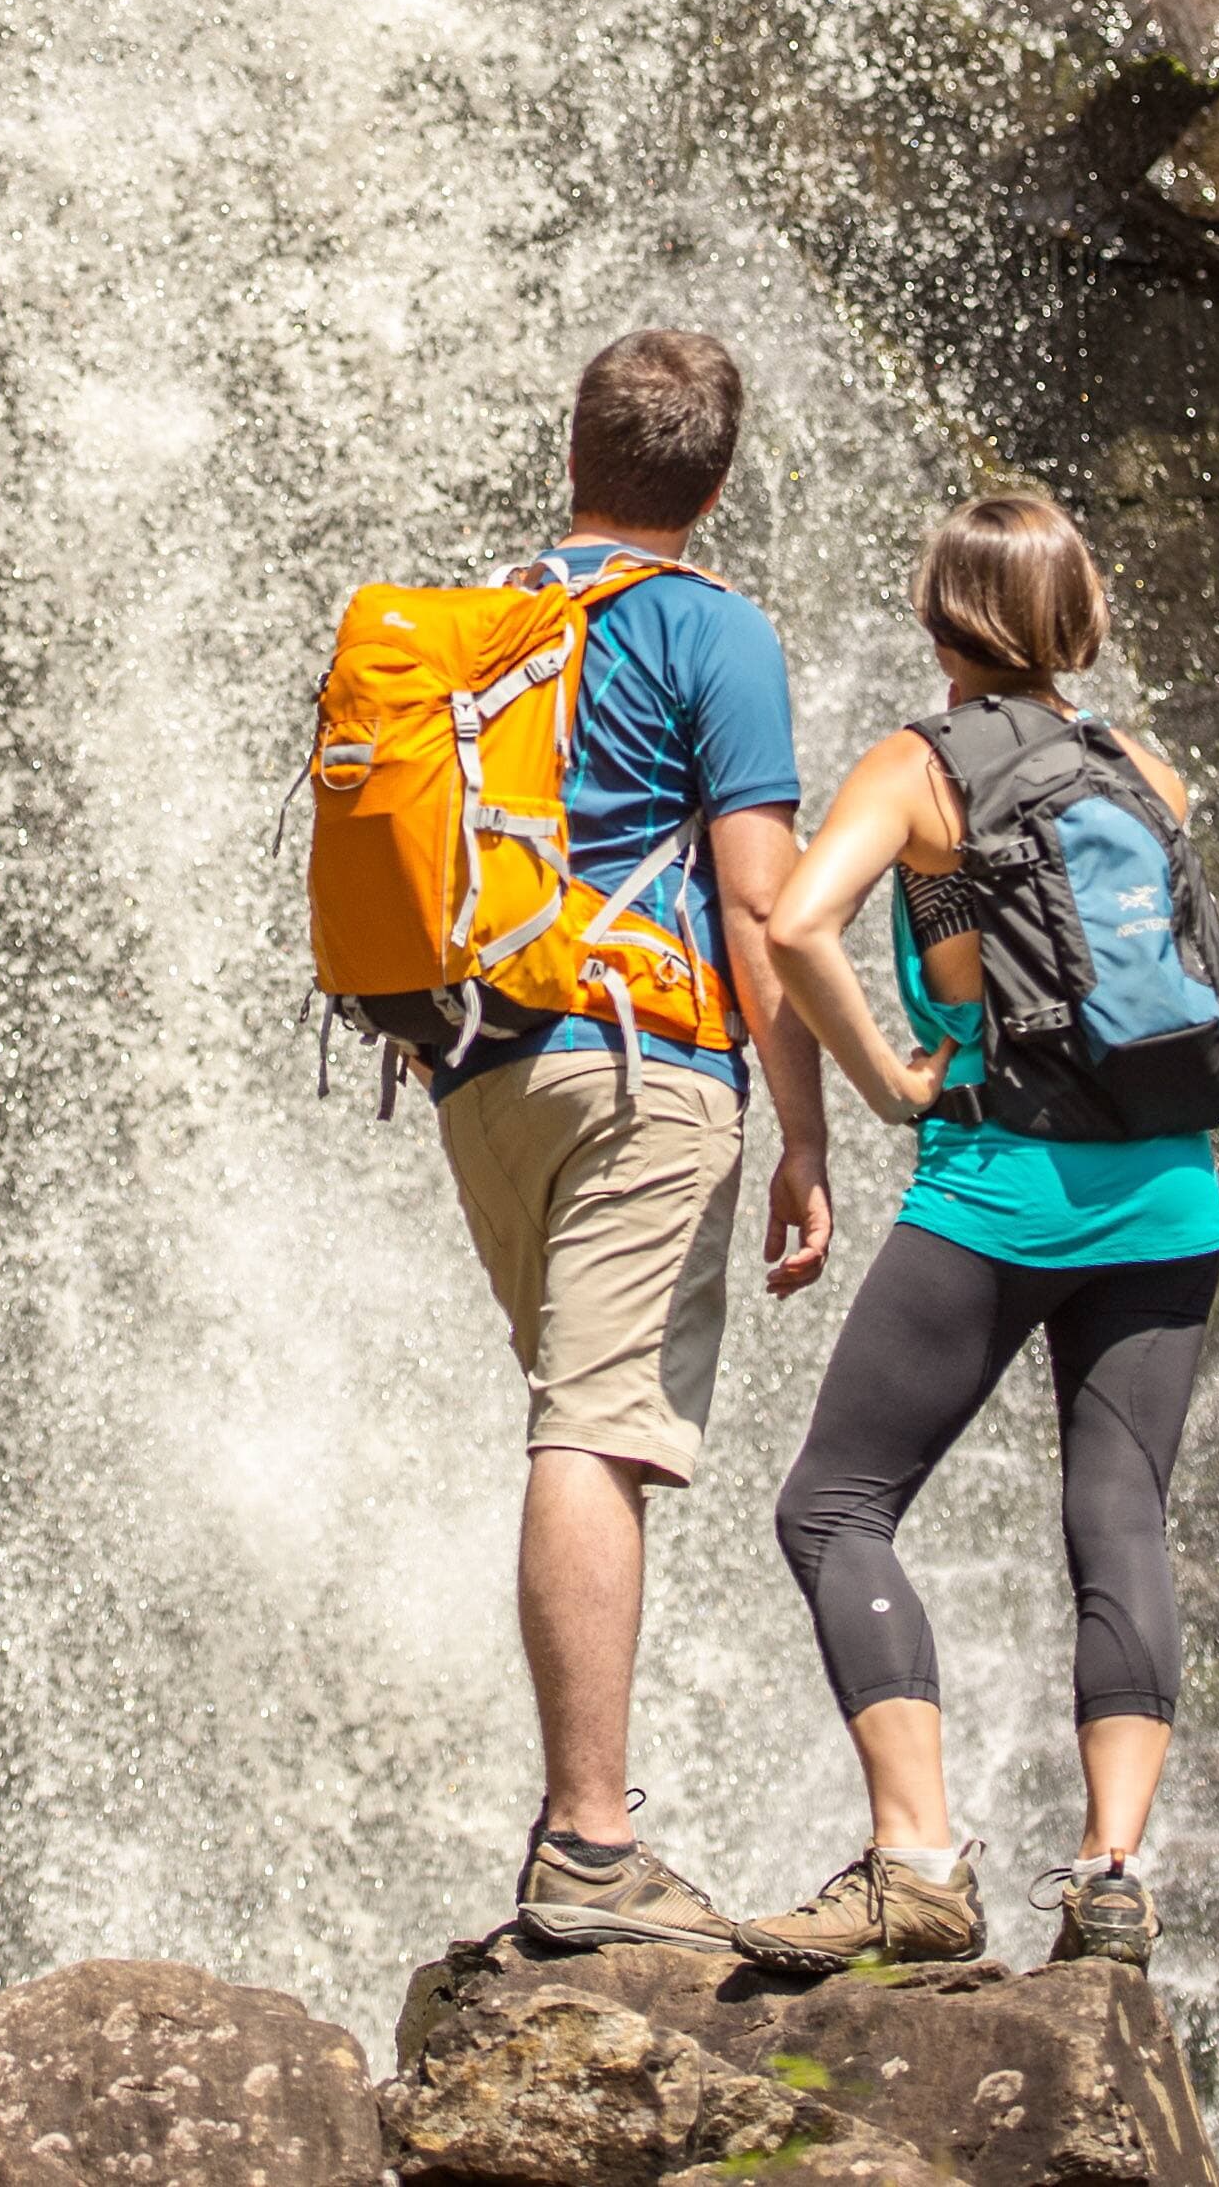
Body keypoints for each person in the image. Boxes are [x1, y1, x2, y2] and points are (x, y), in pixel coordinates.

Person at [731, 489, 1219, 1979]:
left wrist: (885, 1081)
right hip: (1169, 1194)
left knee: (832, 1506)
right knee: (1119, 1518)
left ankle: (921, 1861)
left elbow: (799, 921)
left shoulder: (920, 763)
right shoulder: (1145, 770)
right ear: (1076, 620)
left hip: (1000, 1186)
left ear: (946, 618)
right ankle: (1113, 1873)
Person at [433, 328, 836, 1954]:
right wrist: (805, 1130)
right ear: (716, 486)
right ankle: (591, 1845)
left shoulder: (480, 625)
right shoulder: (712, 630)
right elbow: (761, 901)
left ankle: (585, 1829)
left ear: (573, 451)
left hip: (482, 1070)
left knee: (573, 1411)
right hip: (641, 1058)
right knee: (597, 1429)